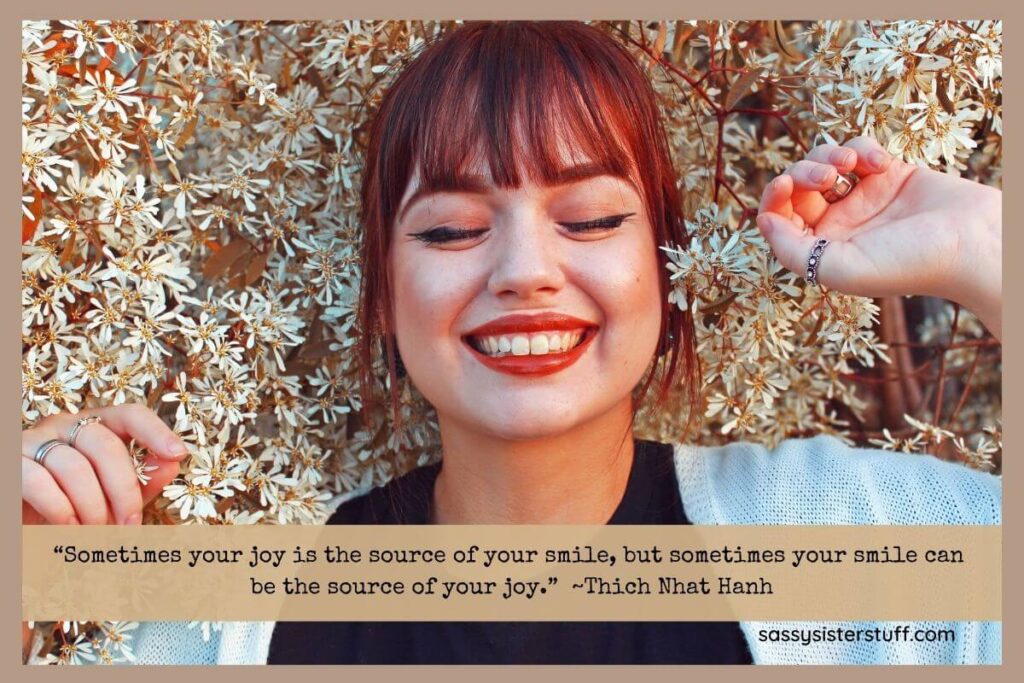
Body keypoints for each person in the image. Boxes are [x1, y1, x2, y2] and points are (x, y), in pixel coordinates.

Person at [22, 21, 1002, 665]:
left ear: (665, 268)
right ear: (380, 296)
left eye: (588, 219)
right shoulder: (234, 620)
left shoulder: (845, 544)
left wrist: (979, 250)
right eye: (449, 228)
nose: (524, 270)